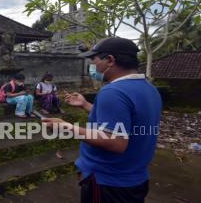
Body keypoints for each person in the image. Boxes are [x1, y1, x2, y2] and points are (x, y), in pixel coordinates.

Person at [42, 37, 161, 203]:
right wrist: (86, 105)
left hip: (108, 181)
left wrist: (66, 127)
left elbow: (115, 141)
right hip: (134, 177)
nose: (93, 65)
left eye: (95, 60)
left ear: (110, 60)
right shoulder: (148, 88)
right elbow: (125, 121)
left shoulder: (113, 92)